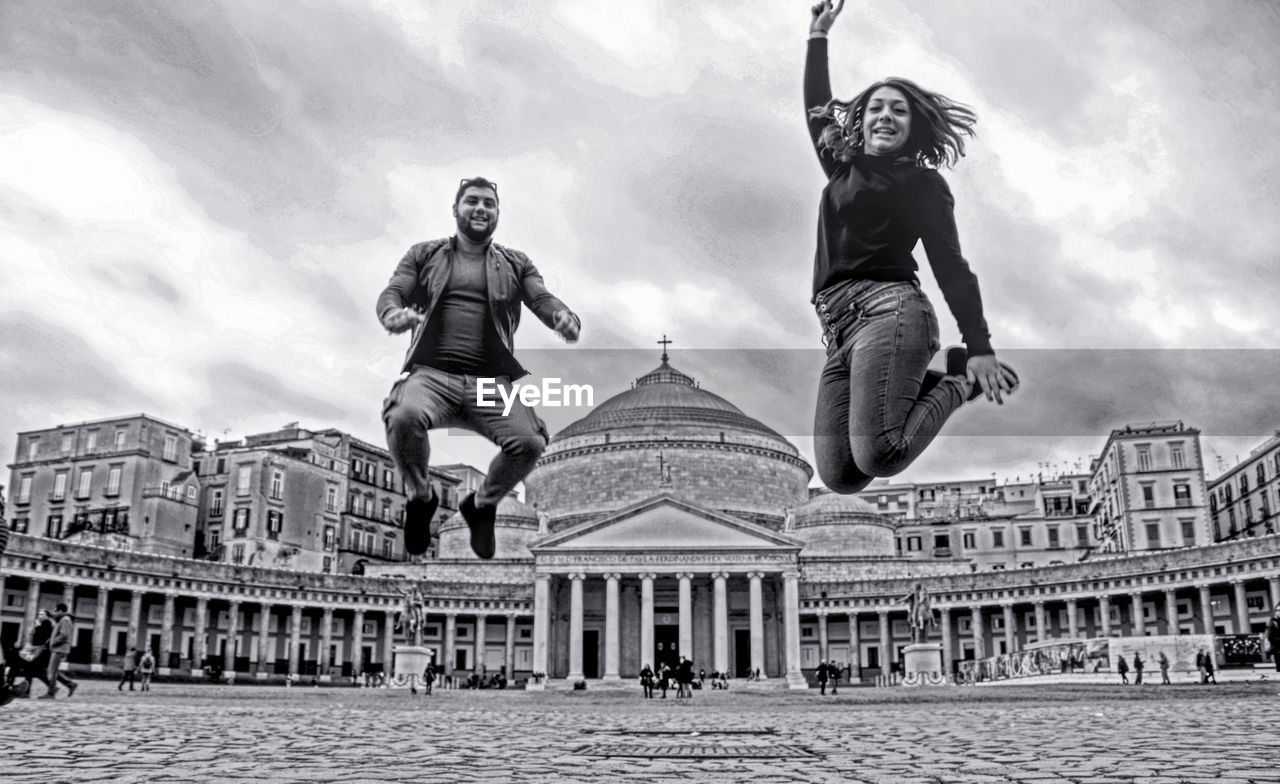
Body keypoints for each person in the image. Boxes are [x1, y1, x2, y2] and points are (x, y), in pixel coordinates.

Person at [804, 1, 1019, 496]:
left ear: (913, 126)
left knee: (882, 453)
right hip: (838, 328)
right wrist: (818, 36)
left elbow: (950, 265)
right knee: (842, 476)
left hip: (891, 312)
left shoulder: (922, 183)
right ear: (859, 121)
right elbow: (817, 108)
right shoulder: (842, 169)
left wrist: (981, 347)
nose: (885, 116)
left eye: (898, 110)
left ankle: (959, 380)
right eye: (876, 107)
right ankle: (924, 381)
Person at [378, 177, 582, 559]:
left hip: (490, 382)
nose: (480, 208)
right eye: (472, 201)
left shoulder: (516, 263)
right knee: (403, 415)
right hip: (433, 374)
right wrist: (393, 314)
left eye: (489, 203)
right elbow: (395, 291)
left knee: (530, 442)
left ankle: (482, 504)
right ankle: (421, 497)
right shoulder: (424, 255)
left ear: (497, 214)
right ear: (456, 209)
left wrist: (562, 317)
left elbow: (541, 297)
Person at [41, 602, 78, 699]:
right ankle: (70, 684)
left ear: (61, 611)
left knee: (51, 671)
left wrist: (52, 642)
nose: (54, 612)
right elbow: (54, 616)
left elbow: (64, 634)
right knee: (53, 670)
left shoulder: (65, 619)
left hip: (59, 648)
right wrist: (49, 613)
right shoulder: (63, 618)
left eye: (55, 610)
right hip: (58, 648)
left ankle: (51, 693)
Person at [1265, 605, 1280, 673]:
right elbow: (1270, 636)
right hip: (1278, 648)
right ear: (1275, 612)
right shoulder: (1273, 622)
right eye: (1278, 610)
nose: (1279, 612)